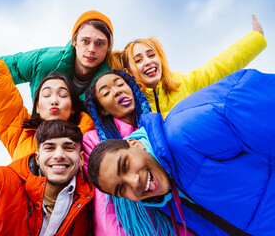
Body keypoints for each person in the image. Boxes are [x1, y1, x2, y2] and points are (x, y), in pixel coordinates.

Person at [88, 68, 275, 235]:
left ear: (135, 144)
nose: (133, 181)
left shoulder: (185, 130)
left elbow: (250, 97)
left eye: (125, 165)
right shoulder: (163, 199)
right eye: (121, 188)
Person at [0, 15, 94, 161]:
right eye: (47, 95)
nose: (54, 101)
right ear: (37, 106)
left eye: (62, 95)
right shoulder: (20, 134)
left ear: (73, 107)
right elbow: (1, 91)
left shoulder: (90, 135)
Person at [82, 70, 191, 235]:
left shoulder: (159, 123)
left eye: (120, 84)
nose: (117, 90)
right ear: (102, 110)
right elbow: (105, 205)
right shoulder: (94, 140)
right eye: (106, 92)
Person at [109, 15, 267, 118]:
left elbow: (219, 67)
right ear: (128, 72)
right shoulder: (130, 104)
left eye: (151, 55)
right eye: (138, 60)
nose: (148, 62)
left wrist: (255, 39)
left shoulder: (182, 83)